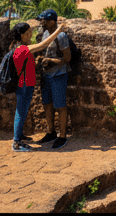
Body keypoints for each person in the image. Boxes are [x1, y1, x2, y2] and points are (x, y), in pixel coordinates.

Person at [8, 21, 48, 152]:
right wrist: (58, 31)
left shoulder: (19, 47)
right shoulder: (22, 49)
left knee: (23, 111)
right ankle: (16, 142)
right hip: (24, 85)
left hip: (26, 84)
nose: (31, 34)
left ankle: (19, 136)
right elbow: (43, 44)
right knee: (21, 112)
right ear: (22, 35)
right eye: (29, 32)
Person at [36, 8, 72, 149]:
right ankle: (51, 132)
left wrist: (50, 60)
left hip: (58, 74)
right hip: (47, 74)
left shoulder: (61, 36)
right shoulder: (46, 33)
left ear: (52, 22)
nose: (42, 23)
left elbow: (67, 58)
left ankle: (62, 136)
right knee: (47, 104)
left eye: (44, 21)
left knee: (60, 106)